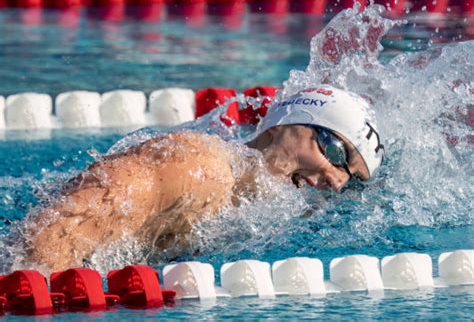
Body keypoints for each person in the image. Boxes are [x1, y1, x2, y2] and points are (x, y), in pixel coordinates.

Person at [21, 85, 384, 272]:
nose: (337, 181)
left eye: (349, 177)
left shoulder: (259, 204)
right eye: (336, 152)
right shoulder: (201, 167)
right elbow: (59, 227)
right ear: (284, 124)